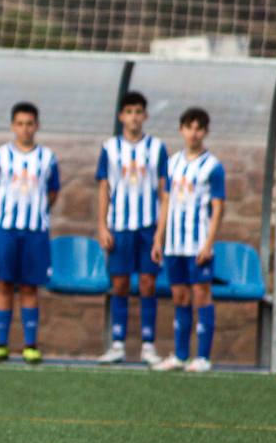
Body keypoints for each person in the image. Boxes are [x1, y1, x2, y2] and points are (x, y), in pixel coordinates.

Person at [95, 91, 168, 365]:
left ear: (145, 116)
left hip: (148, 227)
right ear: (121, 116)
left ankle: (148, 346)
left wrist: (160, 233)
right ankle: (117, 344)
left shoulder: (157, 148)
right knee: (120, 283)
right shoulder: (110, 148)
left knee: (148, 284)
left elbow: (164, 192)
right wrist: (102, 226)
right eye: (129, 112)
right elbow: (104, 187)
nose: (134, 117)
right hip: (120, 226)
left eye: (139, 112)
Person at [151, 107, 225, 373]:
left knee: (201, 295)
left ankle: (203, 357)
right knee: (179, 296)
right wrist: (158, 239)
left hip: (197, 244)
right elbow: (166, 202)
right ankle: (181, 355)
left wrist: (208, 243)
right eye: (189, 128)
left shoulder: (213, 167)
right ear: (181, 130)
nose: (193, 134)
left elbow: (218, 208)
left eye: (199, 129)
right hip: (173, 244)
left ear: (205, 132)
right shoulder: (172, 163)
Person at [0, 102, 59, 364]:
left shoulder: (47, 158)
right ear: (12, 126)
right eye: (20, 123)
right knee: (4, 284)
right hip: (5, 229)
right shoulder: (0, 155)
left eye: (30, 124)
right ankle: (1, 344)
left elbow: (53, 192)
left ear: (37, 126)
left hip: (35, 232)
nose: (25, 129)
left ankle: (30, 344)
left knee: (29, 287)